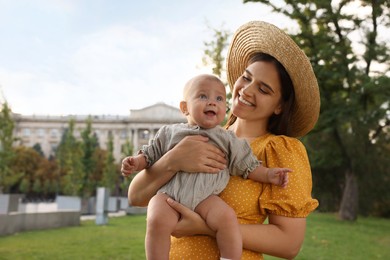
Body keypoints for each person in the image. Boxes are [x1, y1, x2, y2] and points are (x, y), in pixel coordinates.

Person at [126, 20, 320, 259]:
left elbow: (289, 244)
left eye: (263, 89)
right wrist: (173, 161)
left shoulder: (279, 150)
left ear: (279, 106)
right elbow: (136, 197)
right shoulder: (197, 136)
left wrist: (205, 227)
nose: (247, 90)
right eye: (247, 78)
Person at [122, 74, 290, 260]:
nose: (212, 102)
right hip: (169, 196)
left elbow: (247, 165)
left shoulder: (227, 139)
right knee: (156, 219)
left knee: (227, 218)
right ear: (185, 108)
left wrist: (269, 175)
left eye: (218, 98)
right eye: (203, 96)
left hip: (206, 197)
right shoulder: (169, 132)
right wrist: (135, 162)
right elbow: (150, 154)